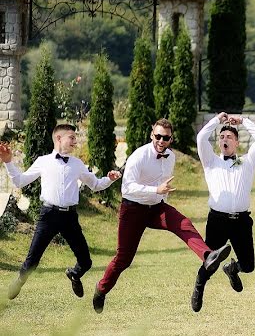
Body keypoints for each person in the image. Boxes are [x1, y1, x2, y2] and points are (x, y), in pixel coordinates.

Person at [93, 119, 232, 313]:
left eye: (165, 138)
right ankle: (101, 289)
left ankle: (208, 256)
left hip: (156, 207)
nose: (161, 141)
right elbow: (127, 188)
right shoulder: (139, 156)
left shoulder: (171, 157)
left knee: (183, 223)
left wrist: (160, 193)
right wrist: (155, 190)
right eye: (157, 136)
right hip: (132, 209)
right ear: (152, 135)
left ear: (170, 139)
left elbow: (163, 184)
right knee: (124, 259)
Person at [1, 125, 121, 300]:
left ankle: (74, 274)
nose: (75, 141)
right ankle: (19, 281)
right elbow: (19, 181)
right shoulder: (43, 161)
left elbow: (95, 185)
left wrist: (109, 180)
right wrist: (8, 162)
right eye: (71, 137)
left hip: (70, 218)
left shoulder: (77, 164)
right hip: (48, 216)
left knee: (86, 262)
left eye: (76, 138)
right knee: (32, 260)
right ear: (59, 138)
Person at [193, 112, 255, 312]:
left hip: (241, 221)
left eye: (229, 137)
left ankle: (232, 269)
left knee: (249, 266)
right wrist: (217, 120)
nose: (224, 139)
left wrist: (242, 121)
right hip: (218, 220)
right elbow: (201, 138)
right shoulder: (211, 162)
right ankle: (199, 286)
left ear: (237, 143)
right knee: (210, 262)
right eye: (222, 137)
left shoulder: (247, 162)